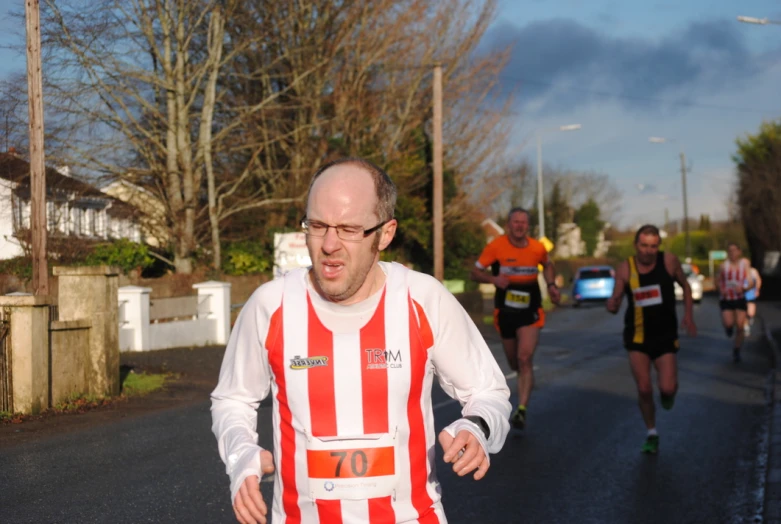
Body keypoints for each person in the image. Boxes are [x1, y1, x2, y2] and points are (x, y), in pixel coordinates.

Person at [211, 158, 511, 524]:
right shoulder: (270, 305)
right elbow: (233, 399)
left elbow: (489, 392)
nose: (329, 245)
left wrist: (475, 426)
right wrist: (241, 456)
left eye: (349, 229)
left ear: (385, 234)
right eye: (317, 226)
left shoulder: (423, 300)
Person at [606, 224, 697, 454]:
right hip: (637, 337)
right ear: (636, 245)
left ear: (659, 246)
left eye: (653, 246)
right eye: (644, 246)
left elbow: (686, 287)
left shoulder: (669, 262)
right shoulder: (626, 268)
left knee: (667, 388)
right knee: (644, 388)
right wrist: (613, 304)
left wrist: (688, 316)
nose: (648, 251)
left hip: (666, 336)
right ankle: (652, 432)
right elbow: (615, 301)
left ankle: (668, 395)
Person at [470, 207, 561, 431]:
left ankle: (521, 408)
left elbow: (548, 264)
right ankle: (525, 378)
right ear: (509, 225)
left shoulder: (537, 248)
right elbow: (475, 272)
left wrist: (551, 286)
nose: (519, 226)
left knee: (524, 357)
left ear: (528, 226)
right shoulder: (496, 247)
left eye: (523, 222)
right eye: (515, 222)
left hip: (530, 310)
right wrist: (493, 279)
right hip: (505, 312)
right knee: (514, 362)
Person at [717, 243, 754, 362]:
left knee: (740, 326)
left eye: (734, 251)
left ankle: (737, 350)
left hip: (739, 298)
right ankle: (728, 328)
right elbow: (717, 281)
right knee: (728, 323)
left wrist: (743, 288)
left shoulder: (744, 265)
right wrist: (721, 289)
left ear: (739, 252)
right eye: (730, 251)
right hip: (727, 299)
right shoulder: (723, 266)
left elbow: (750, 282)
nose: (732, 253)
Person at [744, 266, 762, 335]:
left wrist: (757, 289)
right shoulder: (738, 271)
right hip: (740, 297)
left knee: (750, 313)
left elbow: (758, 280)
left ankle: (750, 318)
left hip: (750, 295)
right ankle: (746, 327)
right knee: (743, 313)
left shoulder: (753, 271)